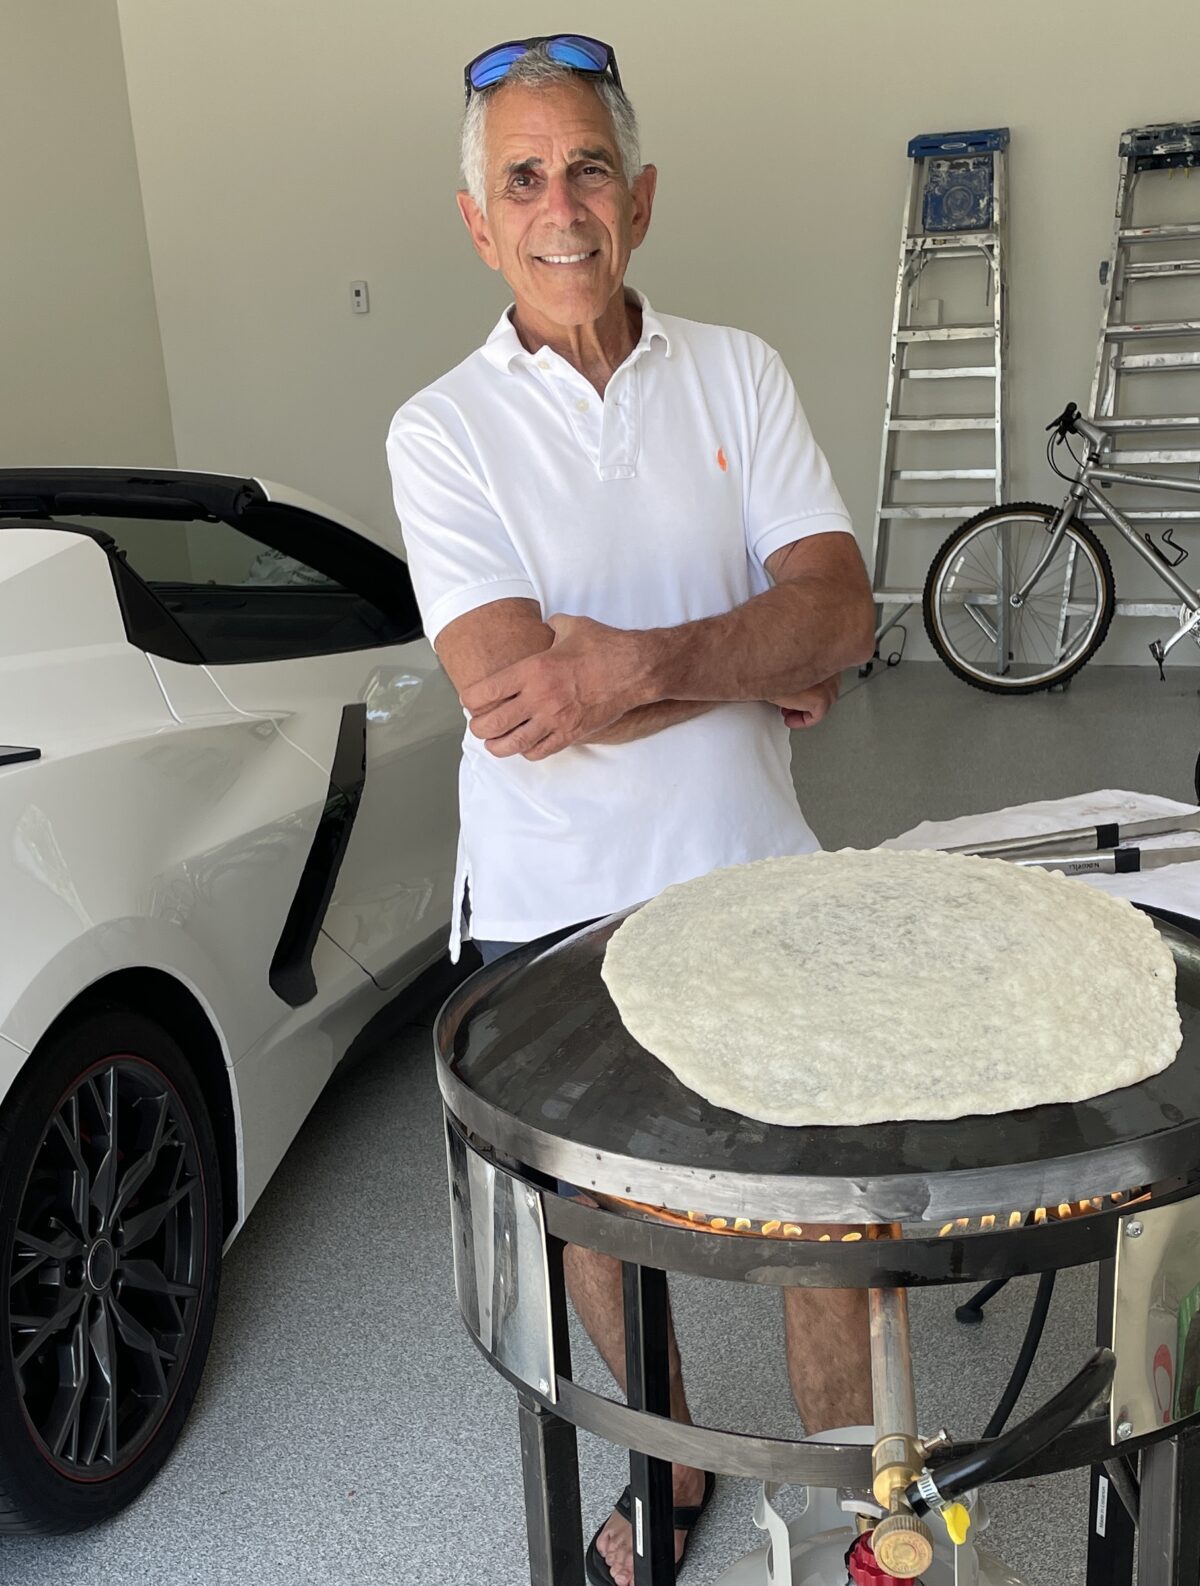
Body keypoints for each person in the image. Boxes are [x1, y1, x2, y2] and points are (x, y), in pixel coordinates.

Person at [386, 34, 876, 1586]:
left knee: (829, 1210)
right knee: (598, 1226)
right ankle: (661, 1463)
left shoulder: (739, 370)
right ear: (478, 222)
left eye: (587, 166)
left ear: (641, 194)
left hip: (760, 879)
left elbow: (844, 615)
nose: (561, 205)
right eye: (522, 177)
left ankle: (865, 1499)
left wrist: (637, 667)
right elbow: (513, 696)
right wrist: (750, 659)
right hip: (550, 915)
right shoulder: (441, 429)